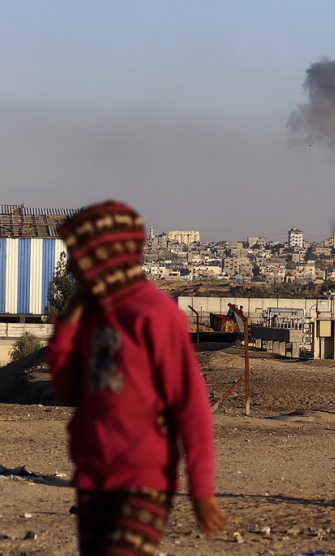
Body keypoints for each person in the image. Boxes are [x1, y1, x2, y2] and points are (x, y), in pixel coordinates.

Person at [47, 201, 226, 555]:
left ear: (105, 257)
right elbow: (68, 390)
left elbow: (191, 409)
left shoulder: (156, 316)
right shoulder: (93, 317)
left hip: (144, 480)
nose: (69, 266)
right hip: (93, 477)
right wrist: (68, 324)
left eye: (77, 256)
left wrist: (201, 490)